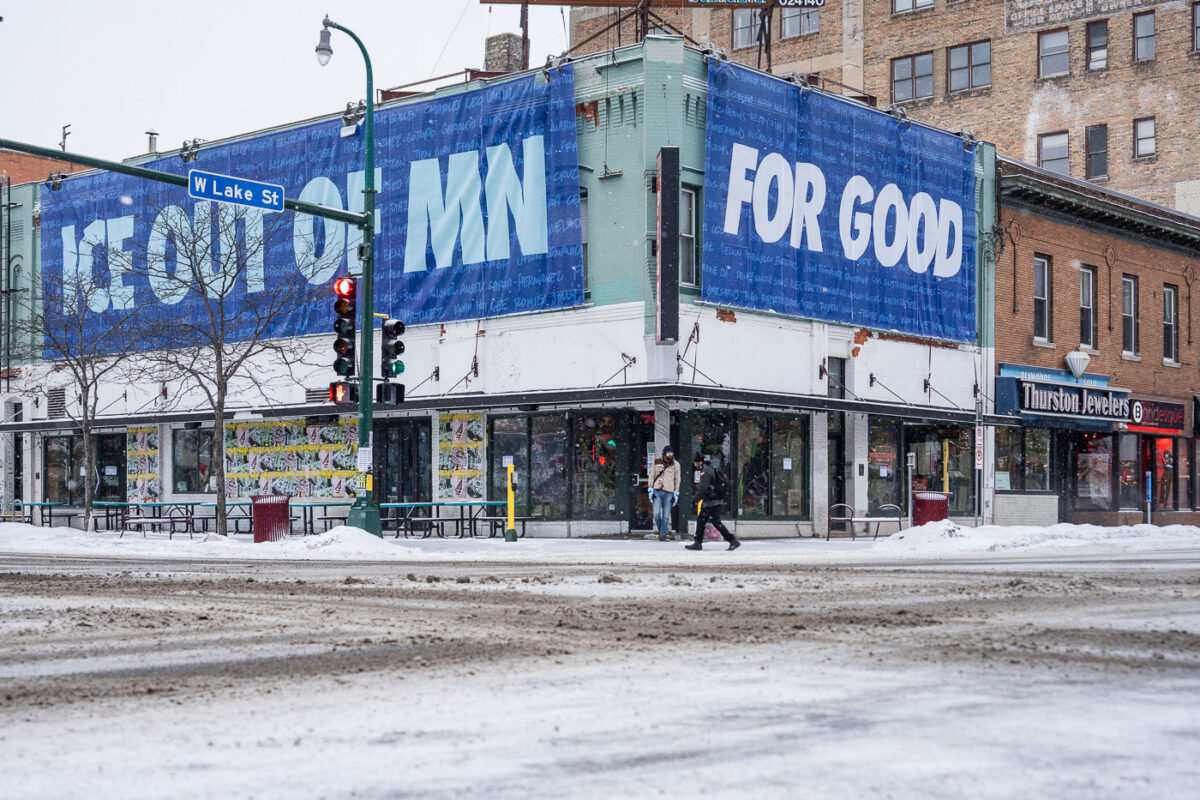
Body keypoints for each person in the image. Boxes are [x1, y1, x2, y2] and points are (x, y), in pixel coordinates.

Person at [686, 454, 740, 551]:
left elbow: (703, 488)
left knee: (715, 522)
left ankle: (732, 540)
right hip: (711, 501)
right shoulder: (710, 469)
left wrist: (695, 500)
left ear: (700, 462)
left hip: (712, 502)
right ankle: (697, 542)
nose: (694, 465)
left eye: (695, 462)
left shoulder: (705, 471)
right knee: (701, 521)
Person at [648, 445, 681, 541]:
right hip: (657, 490)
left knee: (666, 515)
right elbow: (651, 475)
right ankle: (662, 532)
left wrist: (676, 491)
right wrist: (650, 488)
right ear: (664, 453)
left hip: (669, 492)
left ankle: (663, 535)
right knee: (657, 514)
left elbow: (677, 479)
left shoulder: (676, 464)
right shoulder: (657, 462)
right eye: (668, 452)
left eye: (671, 452)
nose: (670, 454)